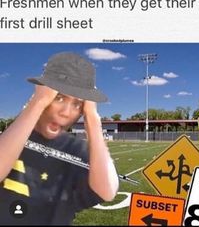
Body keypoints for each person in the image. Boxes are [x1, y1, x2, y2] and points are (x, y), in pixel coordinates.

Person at [0, 52, 119, 225]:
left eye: (77, 104)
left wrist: (93, 120)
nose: (66, 112)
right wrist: (38, 103)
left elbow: (107, 191)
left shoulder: (75, 149)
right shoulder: (12, 137)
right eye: (59, 98)